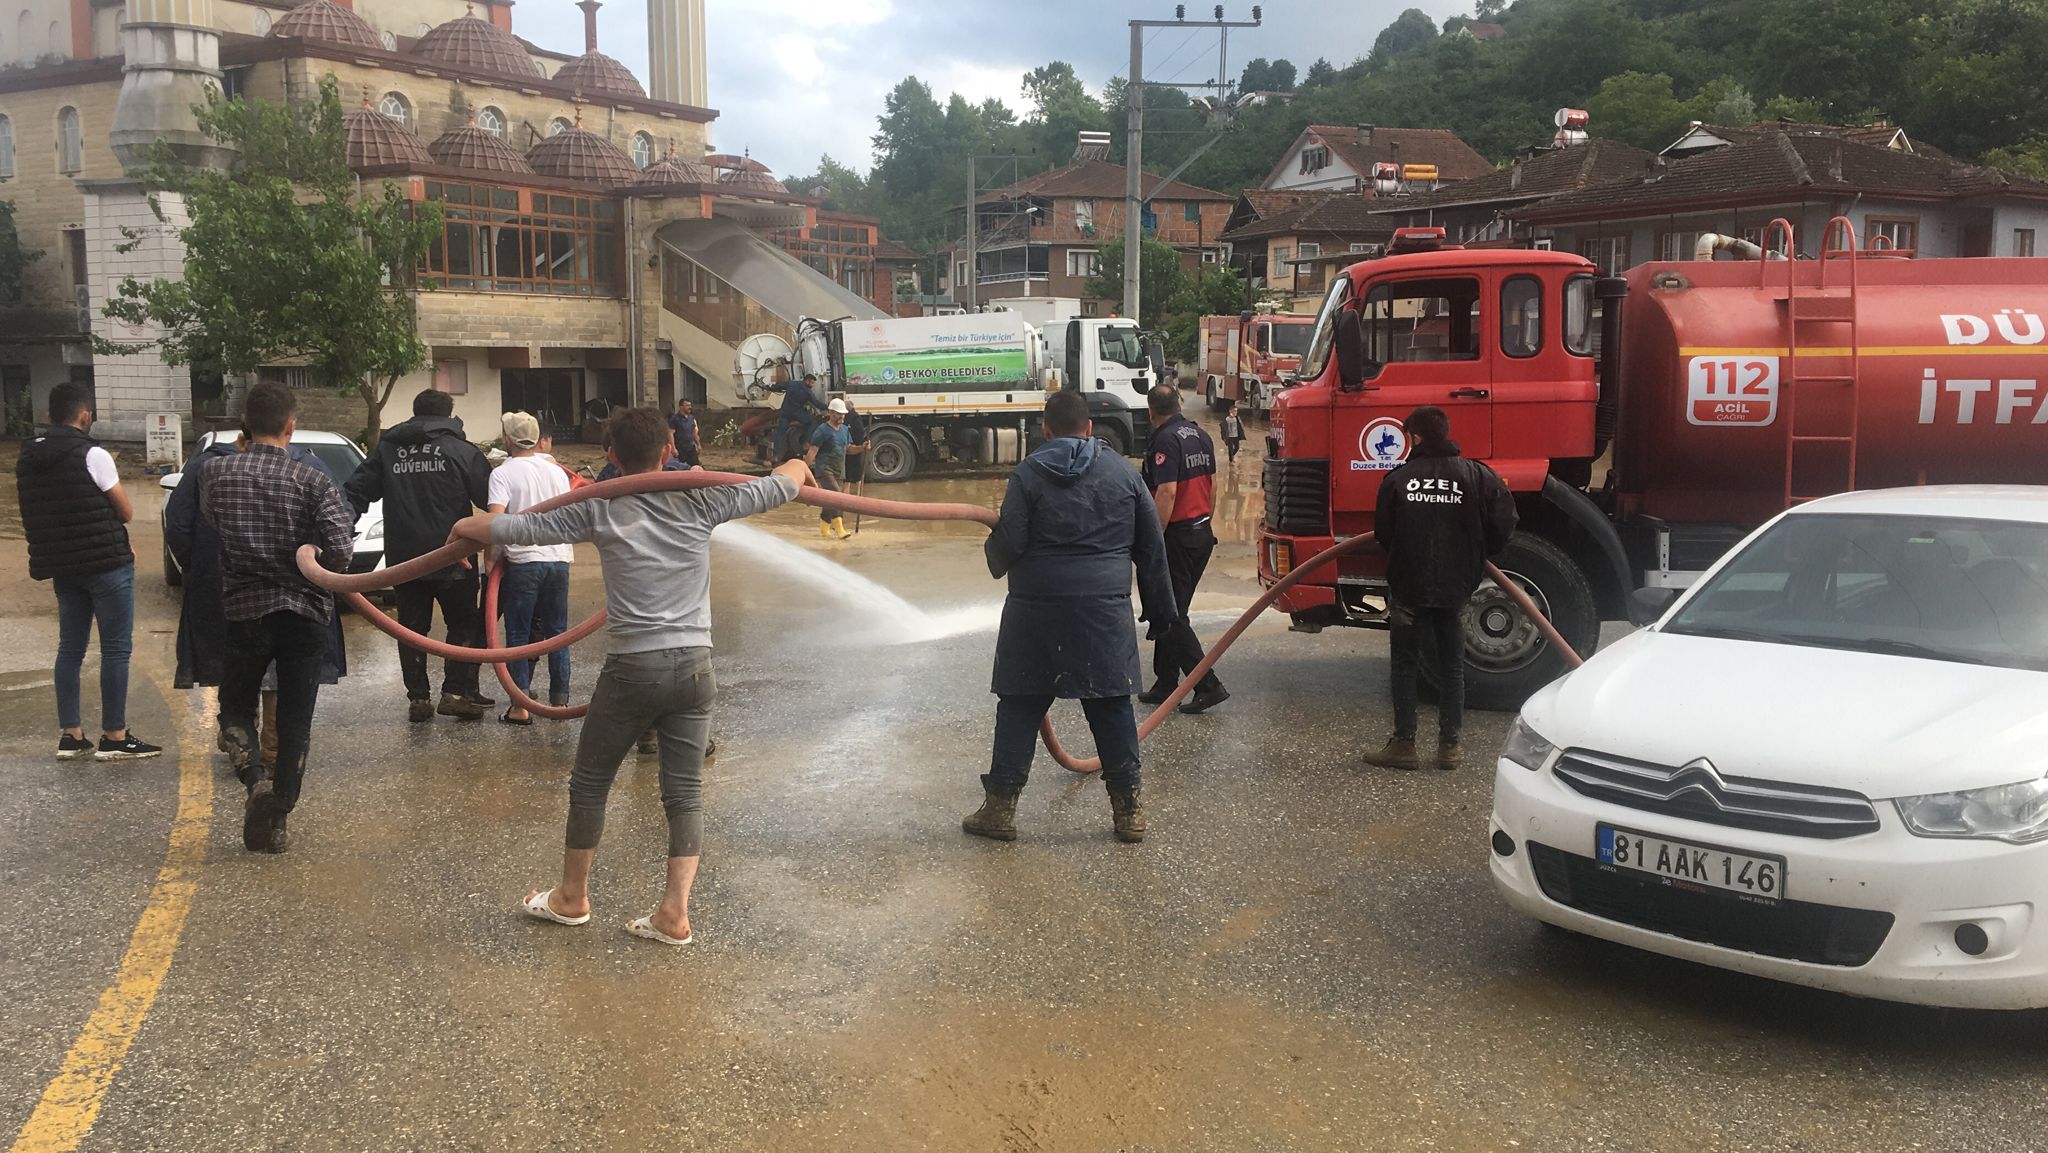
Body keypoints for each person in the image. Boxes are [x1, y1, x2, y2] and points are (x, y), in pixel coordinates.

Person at [447, 407, 814, 946]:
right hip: (695, 666)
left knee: (592, 783)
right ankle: (674, 914)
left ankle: (572, 898)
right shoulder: (703, 496)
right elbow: (782, 486)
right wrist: (797, 467)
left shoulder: (600, 507)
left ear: (611, 456)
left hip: (634, 669)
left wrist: (462, 526)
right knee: (684, 794)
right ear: (669, 450)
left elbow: (510, 528)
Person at [963, 390, 1173, 845]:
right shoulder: (1123, 472)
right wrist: (1163, 616)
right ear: (1090, 429)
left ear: (1046, 430)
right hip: (1103, 610)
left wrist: (994, 550)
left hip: (1035, 608)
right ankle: (1129, 812)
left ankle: (1000, 810)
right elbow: (1152, 550)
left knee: (1020, 704)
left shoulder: (1027, 474)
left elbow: (1011, 544)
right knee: (1111, 704)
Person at [201, 382, 356, 852]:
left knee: (234, 706)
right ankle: (279, 813)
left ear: (244, 426)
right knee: (295, 719)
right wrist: (308, 552)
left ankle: (255, 784)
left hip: (245, 612)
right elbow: (343, 553)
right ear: (291, 427)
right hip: (305, 614)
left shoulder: (215, 474)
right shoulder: (313, 480)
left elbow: (211, 523)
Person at [170, 435, 347, 766]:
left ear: (241, 438)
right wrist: (324, 569)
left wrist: (198, 570)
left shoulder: (206, 469)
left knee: (240, 664)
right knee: (280, 673)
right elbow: (341, 523)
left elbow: (178, 526)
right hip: (296, 593)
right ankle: (274, 750)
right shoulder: (310, 468)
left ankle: (242, 738)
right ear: (288, 429)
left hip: (228, 589)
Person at [1365, 405, 1517, 772]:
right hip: (1456, 586)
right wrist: (1477, 555)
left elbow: (1384, 533)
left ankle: (1404, 745)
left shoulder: (1397, 479)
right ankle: (1449, 748)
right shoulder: (1478, 476)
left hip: (1408, 586)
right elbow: (1505, 522)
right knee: (1452, 666)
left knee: (1405, 664)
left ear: (1415, 437)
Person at [15, 382, 159, 761]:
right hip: (107, 565)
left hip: (64, 567)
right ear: (85, 416)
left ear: (50, 417)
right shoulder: (92, 454)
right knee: (115, 648)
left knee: (70, 649)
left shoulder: (28, 457)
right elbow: (126, 511)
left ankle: (71, 734)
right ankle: (114, 735)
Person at [344, 389, 493, 723]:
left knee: (411, 629)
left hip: (405, 562)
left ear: (414, 413)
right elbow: (492, 500)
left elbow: (355, 493)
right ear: (448, 415)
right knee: (463, 624)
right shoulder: (461, 451)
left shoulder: (387, 450)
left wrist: (335, 536)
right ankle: (454, 693)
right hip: (456, 557)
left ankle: (419, 699)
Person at [1137, 385, 1229, 715]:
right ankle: (1165, 683)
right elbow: (1213, 485)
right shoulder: (1199, 434)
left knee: (1172, 616)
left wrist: (1153, 539)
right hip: (1200, 534)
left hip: (1175, 537)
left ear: (1151, 411)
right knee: (1171, 610)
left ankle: (1207, 684)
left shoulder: (1164, 439)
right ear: (1177, 404)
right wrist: (1205, 523)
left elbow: (1167, 493)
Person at [489, 412, 573, 725]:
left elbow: (496, 522)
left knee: (518, 634)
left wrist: (489, 562)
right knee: (557, 634)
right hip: (559, 558)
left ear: (508, 440)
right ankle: (560, 705)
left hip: (523, 562)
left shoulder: (503, 473)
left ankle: (520, 706)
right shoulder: (555, 471)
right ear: (538, 439)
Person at [804, 397, 861, 541]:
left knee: (829, 501)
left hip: (839, 471)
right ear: (830, 413)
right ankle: (839, 529)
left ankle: (824, 530)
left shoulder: (844, 430)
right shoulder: (822, 431)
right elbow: (812, 451)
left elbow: (849, 449)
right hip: (825, 470)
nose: (842, 416)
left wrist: (862, 448)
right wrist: (804, 471)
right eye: (838, 414)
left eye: (843, 414)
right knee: (837, 497)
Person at [769, 372, 825, 462]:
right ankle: (807, 442)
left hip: (785, 412)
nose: (813, 385)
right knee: (811, 422)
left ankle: (776, 455)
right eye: (812, 383)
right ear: (807, 381)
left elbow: (779, 386)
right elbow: (816, 403)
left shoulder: (792, 383)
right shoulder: (808, 392)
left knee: (780, 433)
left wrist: (772, 387)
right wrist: (828, 407)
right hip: (797, 413)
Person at [668, 399, 701, 469]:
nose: (690, 407)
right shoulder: (675, 419)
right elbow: (670, 433)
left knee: (695, 467)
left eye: (690, 405)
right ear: (681, 407)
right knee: (682, 469)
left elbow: (694, 432)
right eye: (687, 405)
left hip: (691, 448)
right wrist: (673, 448)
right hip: (680, 448)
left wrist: (698, 445)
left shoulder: (691, 418)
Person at [1220, 400, 1246, 465]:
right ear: (1230, 411)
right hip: (1229, 437)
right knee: (1230, 448)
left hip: (1236, 436)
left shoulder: (1237, 418)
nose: (1235, 412)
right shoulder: (1227, 419)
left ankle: (1232, 456)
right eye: (1234, 411)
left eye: (1236, 411)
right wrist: (1224, 437)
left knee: (1237, 447)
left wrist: (1242, 432)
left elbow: (1241, 426)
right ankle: (1231, 460)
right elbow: (1223, 429)